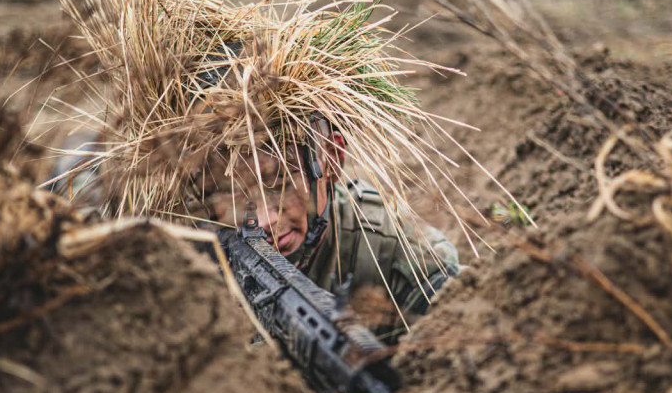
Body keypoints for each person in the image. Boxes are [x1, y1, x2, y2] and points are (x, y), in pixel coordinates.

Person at [50, 112, 461, 341]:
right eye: (231, 193)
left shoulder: (403, 260)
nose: (266, 219)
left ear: (331, 161)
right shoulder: (171, 238)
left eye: (281, 182)